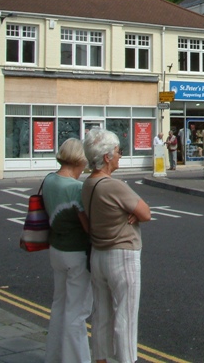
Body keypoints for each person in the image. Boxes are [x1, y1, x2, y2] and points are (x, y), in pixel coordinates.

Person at [82, 129, 152, 363]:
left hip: (98, 255)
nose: (120, 155)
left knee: (101, 315)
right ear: (106, 157)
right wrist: (131, 214)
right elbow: (145, 213)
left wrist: (130, 213)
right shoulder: (113, 185)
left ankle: (99, 360)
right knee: (126, 317)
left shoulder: (88, 184)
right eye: (117, 151)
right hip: (122, 254)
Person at [41, 138, 92, 363]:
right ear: (79, 160)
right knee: (77, 313)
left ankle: (55, 357)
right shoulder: (76, 188)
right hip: (76, 253)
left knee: (59, 305)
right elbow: (88, 226)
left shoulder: (49, 180)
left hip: (56, 250)